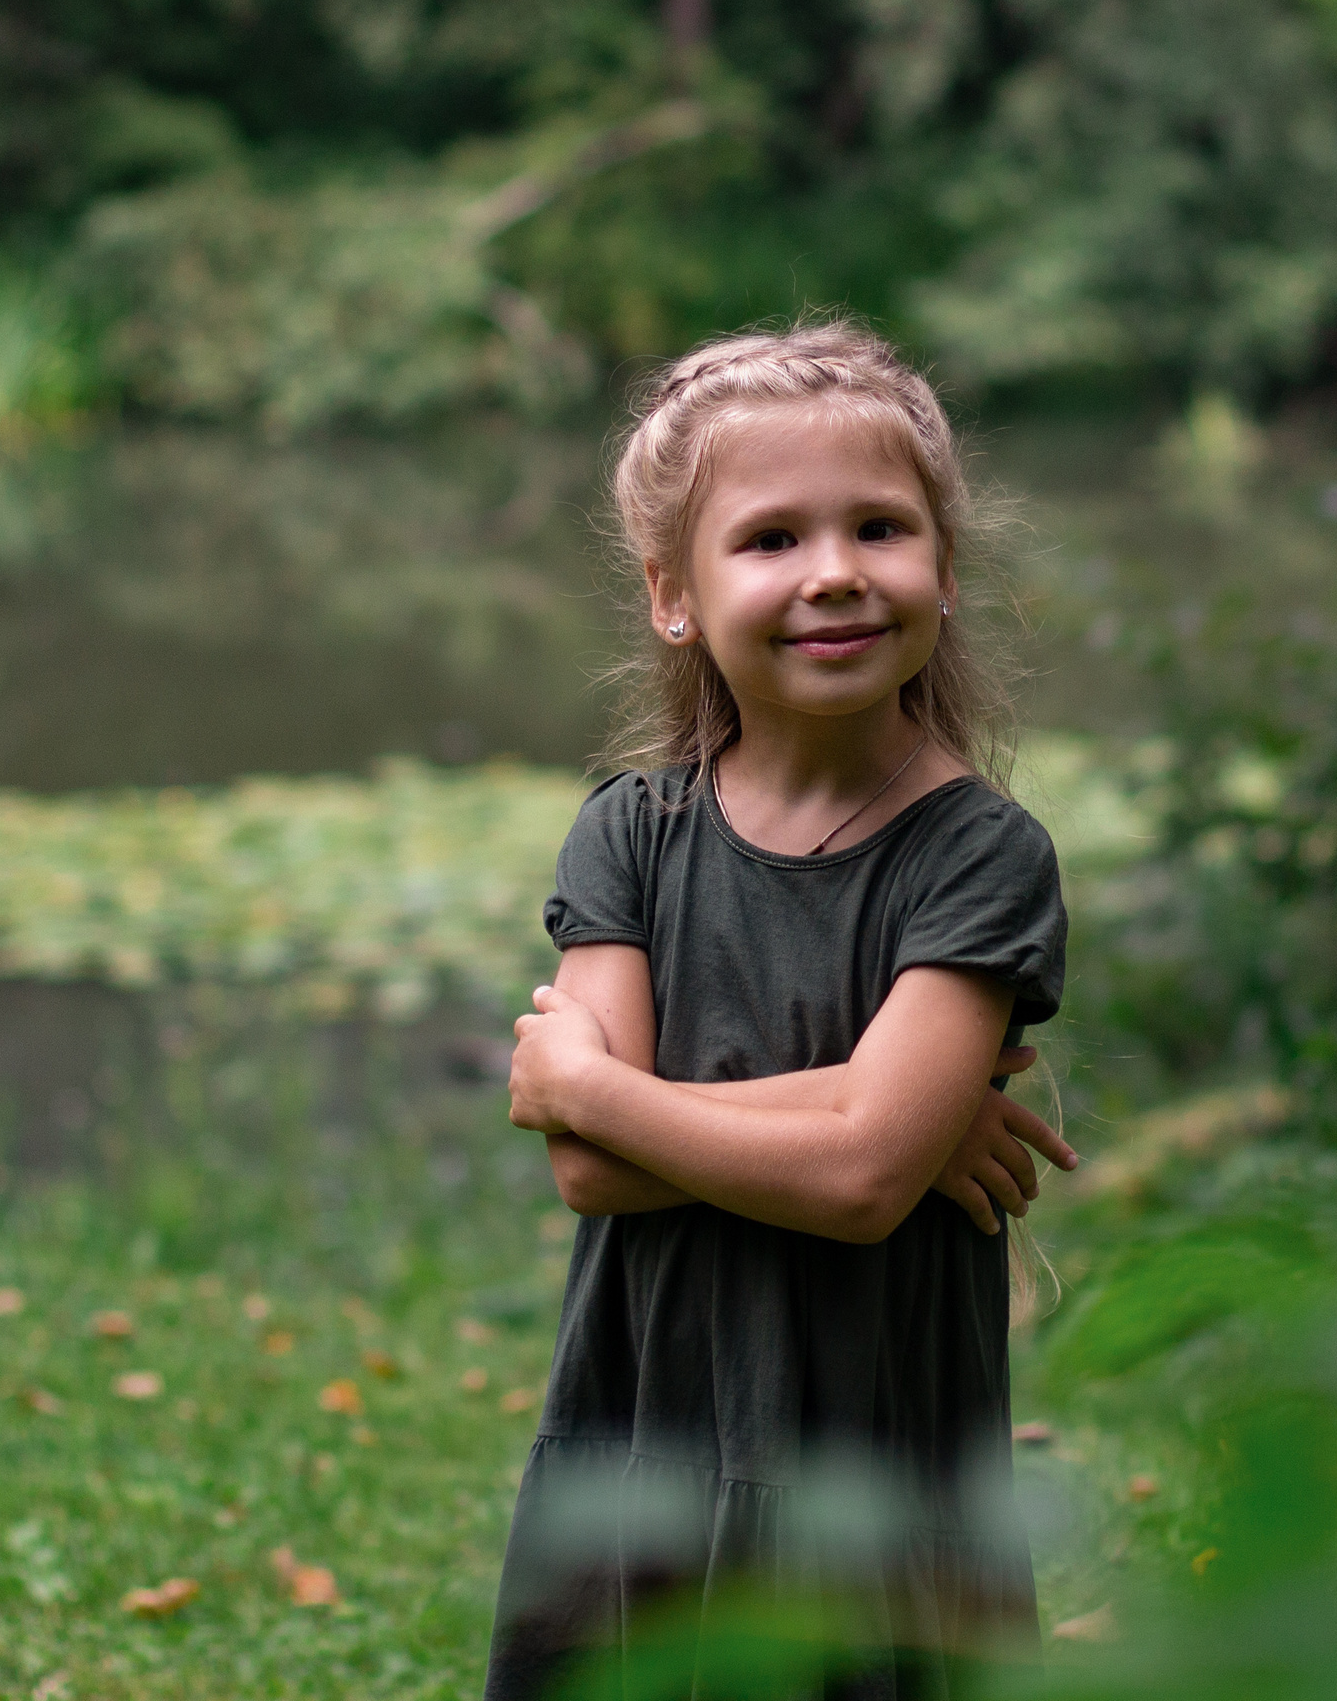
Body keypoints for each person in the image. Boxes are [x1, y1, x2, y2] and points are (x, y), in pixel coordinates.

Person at [484, 320, 1078, 1700]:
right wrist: (877, 1109)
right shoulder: (628, 835)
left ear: (943, 564)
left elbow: (865, 1178)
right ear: (670, 593)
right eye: (769, 540)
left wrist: (591, 1084)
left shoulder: (980, 855)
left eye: (880, 527)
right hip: (652, 1420)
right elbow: (592, 1178)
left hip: (865, 1438)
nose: (833, 576)